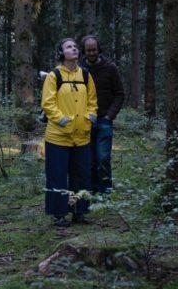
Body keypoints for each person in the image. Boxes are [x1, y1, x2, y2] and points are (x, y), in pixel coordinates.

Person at [41, 38, 97, 227]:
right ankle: (59, 214)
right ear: (61, 53)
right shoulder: (53, 75)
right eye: (68, 47)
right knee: (57, 175)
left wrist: (90, 118)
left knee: (81, 175)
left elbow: (93, 101)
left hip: (82, 135)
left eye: (74, 46)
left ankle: (79, 211)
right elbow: (48, 103)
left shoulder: (85, 75)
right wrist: (62, 120)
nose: (73, 48)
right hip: (58, 136)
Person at [80, 35, 124, 194]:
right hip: (85, 120)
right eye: (88, 50)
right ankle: (92, 190)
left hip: (104, 120)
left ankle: (105, 192)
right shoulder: (79, 70)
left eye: (94, 50)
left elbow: (119, 93)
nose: (91, 53)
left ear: (99, 49)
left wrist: (110, 116)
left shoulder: (110, 68)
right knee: (89, 159)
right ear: (83, 51)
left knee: (103, 158)